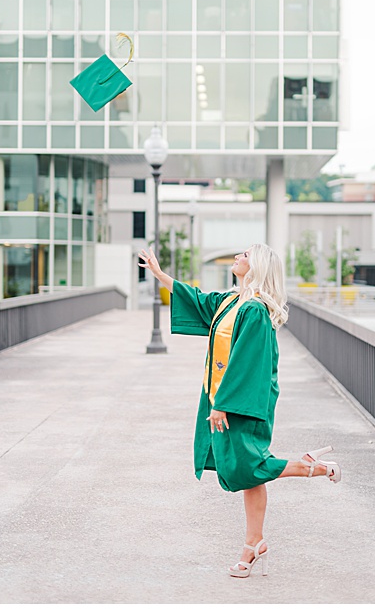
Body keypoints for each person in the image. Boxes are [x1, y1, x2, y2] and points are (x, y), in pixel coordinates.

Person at [138, 243, 341, 578]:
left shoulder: (256, 311)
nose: (236, 258)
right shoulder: (233, 301)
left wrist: (224, 404)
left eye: (243, 255)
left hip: (245, 397)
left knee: (247, 466)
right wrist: (160, 275)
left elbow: (248, 362)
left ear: (257, 265)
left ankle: (312, 469)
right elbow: (198, 300)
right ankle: (254, 543)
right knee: (246, 473)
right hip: (228, 395)